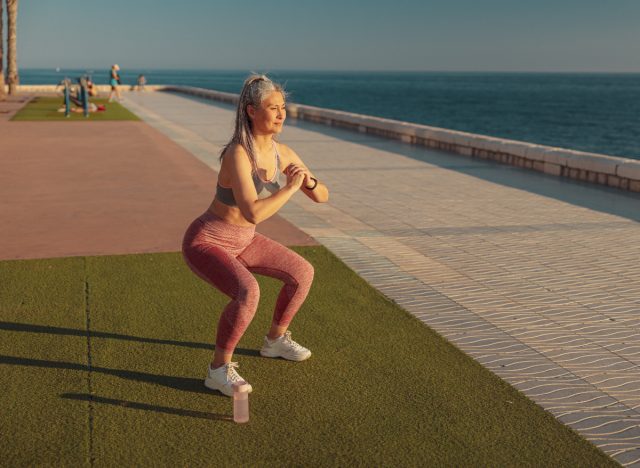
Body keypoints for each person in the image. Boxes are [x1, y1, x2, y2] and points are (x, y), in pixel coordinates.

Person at [182, 74, 329, 397]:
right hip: (207, 240)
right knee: (248, 292)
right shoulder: (238, 154)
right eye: (273, 108)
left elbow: (323, 197)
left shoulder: (284, 152)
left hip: (244, 240)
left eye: (283, 108)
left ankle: (275, 341)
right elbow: (253, 212)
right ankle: (218, 370)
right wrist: (291, 188)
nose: (281, 114)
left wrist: (308, 182)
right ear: (251, 111)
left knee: (303, 272)